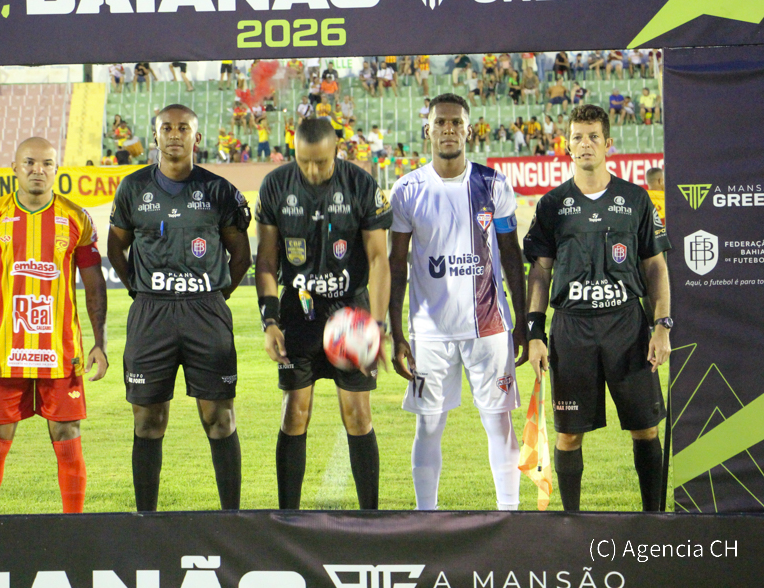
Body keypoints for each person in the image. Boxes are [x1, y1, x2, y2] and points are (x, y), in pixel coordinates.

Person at [524, 104, 672, 512]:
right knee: (569, 434)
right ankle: (571, 523)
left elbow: (655, 266)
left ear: (608, 143)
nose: (585, 144)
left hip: (626, 326)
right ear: (567, 145)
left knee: (645, 428)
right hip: (571, 329)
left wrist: (662, 325)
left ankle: (654, 520)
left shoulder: (636, 199)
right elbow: (540, 272)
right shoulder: (552, 204)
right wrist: (534, 333)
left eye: (593, 136)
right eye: (578, 137)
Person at [107, 104, 252, 512]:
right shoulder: (133, 188)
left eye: (183, 128)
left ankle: (231, 518)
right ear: (155, 136)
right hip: (151, 313)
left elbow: (241, 256)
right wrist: (139, 289)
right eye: (166, 128)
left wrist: (214, 296)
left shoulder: (219, 190)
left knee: (219, 418)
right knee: (148, 421)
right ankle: (145, 520)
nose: (174, 134)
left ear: (196, 137)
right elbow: (116, 246)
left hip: (205, 313)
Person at [388, 93, 527, 511]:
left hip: (489, 328)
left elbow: (512, 255)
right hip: (429, 333)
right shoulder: (407, 190)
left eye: (456, 122)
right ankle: (424, 518)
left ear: (469, 130)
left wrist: (522, 322)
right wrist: (396, 333)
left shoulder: (494, 184)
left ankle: (509, 515)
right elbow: (396, 265)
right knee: (428, 427)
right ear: (427, 130)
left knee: (499, 423)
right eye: (441, 122)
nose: (448, 129)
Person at [0, 137, 108, 514]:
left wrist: (100, 342)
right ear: (14, 167)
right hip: (5, 354)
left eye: (46, 164)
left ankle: (73, 531)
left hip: (61, 354)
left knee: (68, 438)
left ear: (56, 170)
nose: (37, 170)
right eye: (29, 162)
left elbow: (94, 284)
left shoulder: (77, 218)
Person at [255, 117, 393, 510]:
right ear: (294, 153)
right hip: (297, 314)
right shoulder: (275, 186)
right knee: (294, 414)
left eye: (321, 162)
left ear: (337, 150)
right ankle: (288, 517)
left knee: (358, 415)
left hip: (350, 312)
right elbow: (266, 261)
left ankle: (370, 517)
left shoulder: (361, 185)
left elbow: (378, 259)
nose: (313, 170)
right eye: (304, 162)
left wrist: (376, 325)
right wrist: (269, 321)